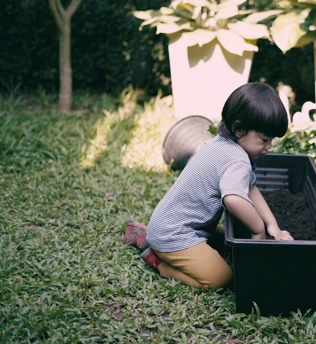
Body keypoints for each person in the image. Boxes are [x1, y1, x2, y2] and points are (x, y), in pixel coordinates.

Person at [124, 82, 294, 289]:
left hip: (178, 225)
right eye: (264, 140)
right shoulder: (237, 161)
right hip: (174, 234)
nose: (269, 147)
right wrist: (258, 229)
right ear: (239, 129)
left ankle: (150, 236)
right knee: (221, 278)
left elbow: (250, 189)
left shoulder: (222, 143)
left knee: (231, 238)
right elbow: (233, 199)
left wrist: (272, 225)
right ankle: (156, 259)